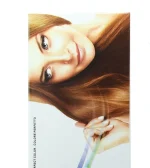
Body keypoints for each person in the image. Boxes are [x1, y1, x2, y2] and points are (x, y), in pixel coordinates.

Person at [28, 13, 130, 153]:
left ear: (45, 24)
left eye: (45, 44)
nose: (65, 57)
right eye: (48, 73)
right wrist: (129, 133)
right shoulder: (106, 101)